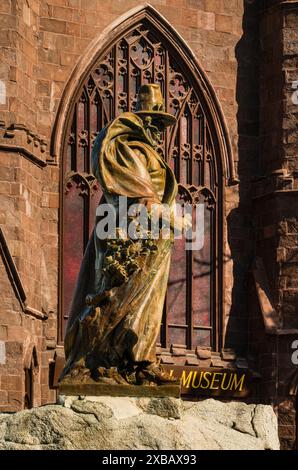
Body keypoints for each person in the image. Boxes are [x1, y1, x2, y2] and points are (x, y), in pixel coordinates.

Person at [59, 84, 179, 386]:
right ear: (141, 122)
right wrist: (153, 208)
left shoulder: (148, 153)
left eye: (161, 125)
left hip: (153, 238)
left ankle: (140, 360)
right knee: (118, 297)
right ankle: (100, 360)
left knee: (147, 300)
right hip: (128, 235)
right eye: (154, 122)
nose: (159, 132)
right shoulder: (128, 149)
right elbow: (138, 193)